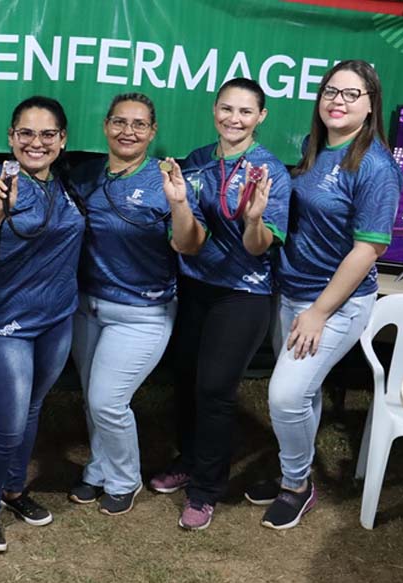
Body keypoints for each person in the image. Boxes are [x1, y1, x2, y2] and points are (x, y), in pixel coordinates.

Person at [254, 60, 402, 530]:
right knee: (304, 392)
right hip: (291, 292)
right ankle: (289, 473)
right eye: (331, 92)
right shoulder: (314, 148)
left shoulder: (376, 166)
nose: (338, 101)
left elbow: (369, 248)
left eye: (351, 94)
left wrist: (319, 311)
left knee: (284, 394)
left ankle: (297, 486)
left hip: (333, 304)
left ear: (371, 103)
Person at [147, 77, 291, 531]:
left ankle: (206, 489)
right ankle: (188, 460)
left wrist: (253, 218)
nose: (235, 119)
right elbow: (186, 239)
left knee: (214, 388)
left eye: (246, 112)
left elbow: (257, 247)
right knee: (186, 379)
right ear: (214, 110)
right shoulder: (194, 162)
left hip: (244, 292)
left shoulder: (271, 173)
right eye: (227, 109)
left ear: (261, 117)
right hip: (195, 286)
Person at [0, 96, 86, 553]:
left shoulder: (65, 184)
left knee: (32, 410)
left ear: (62, 140)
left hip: (55, 318)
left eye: (48, 134)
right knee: (8, 423)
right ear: (10, 138)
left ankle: (12, 490)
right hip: (3, 323)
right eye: (26, 133)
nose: (37, 142)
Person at [68, 93, 206, 516]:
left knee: (108, 400)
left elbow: (190, 244)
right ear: (106, 126)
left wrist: (179, 203)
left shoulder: (165, 180)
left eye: (139, 124)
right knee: (94, 398)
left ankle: (125, 479)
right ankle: (97, 469)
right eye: (120, 122)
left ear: (153, 132)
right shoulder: (86, 176)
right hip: (88, 308)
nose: (128, 131)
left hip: (142, 313)